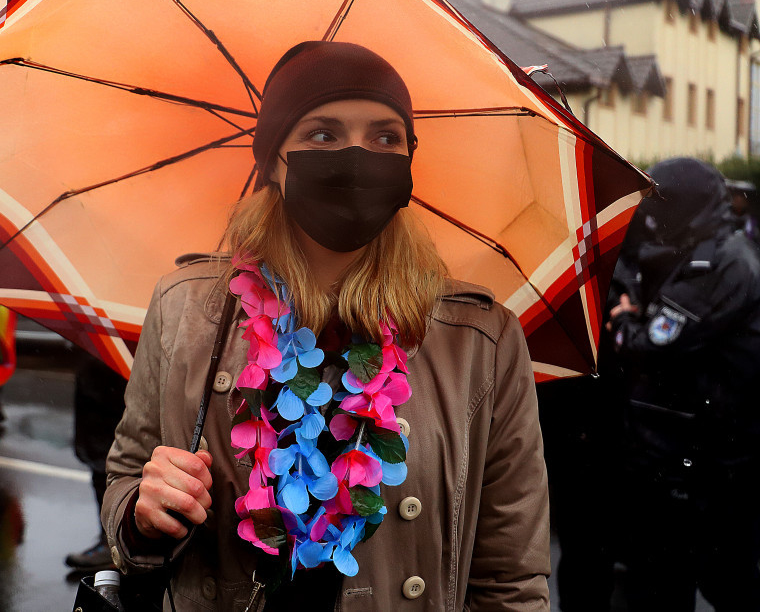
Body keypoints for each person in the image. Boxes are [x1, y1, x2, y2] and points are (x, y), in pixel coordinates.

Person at [102, 41, 550, 611]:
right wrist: (146, 514)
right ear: (271, 161)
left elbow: (510, 582)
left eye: (386, 137)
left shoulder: (481, 340)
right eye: (323, 134)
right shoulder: (188, 309)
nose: (357, 155)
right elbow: (124, 481)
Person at [609, 157, 760, 611]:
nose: (652, 216)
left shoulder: (716, 264)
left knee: (715, 581)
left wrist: (623, 323)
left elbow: (652, 343)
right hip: (695, 457)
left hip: (706, 466)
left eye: (661, 202)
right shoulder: (711, 250)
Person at [65, 350, 127, 572]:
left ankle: (114, 544)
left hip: (111, 411)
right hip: (98, 421)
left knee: (114, 479)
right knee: (103, 477)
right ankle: (110, 540)